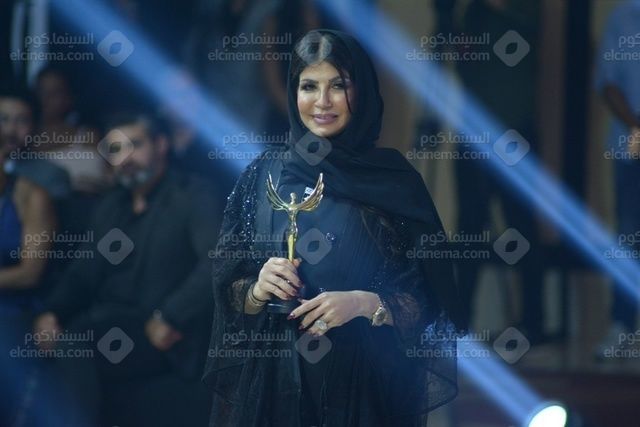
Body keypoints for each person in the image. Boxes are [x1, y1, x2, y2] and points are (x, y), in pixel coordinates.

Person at [203, 30, 466, 427]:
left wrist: (364, 304)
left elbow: (428, 302)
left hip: (362, 386)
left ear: (361, 92)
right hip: (275, 384)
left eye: (338, 86)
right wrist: (258, 288)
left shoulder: (394, 182)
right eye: (309, 86)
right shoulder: (262, 175)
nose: (322, 102)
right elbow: (228, 285)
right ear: (293, 92)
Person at [32, 111, 222, 426]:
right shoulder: (111, 206)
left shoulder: (192, 195)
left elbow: (215, 261)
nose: (125, 158)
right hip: (108, 320)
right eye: (116, 149)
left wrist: (170, 315)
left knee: (75, 346)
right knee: (44, 341)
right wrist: (53, 312)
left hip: (161, 330)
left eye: (135, 145)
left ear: (160, 145)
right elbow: (83, 273)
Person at [594, 1, 640, 356]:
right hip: (631, 149)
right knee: (628, 236)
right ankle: (622, 327)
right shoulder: (623, 17)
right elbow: (607, 83)